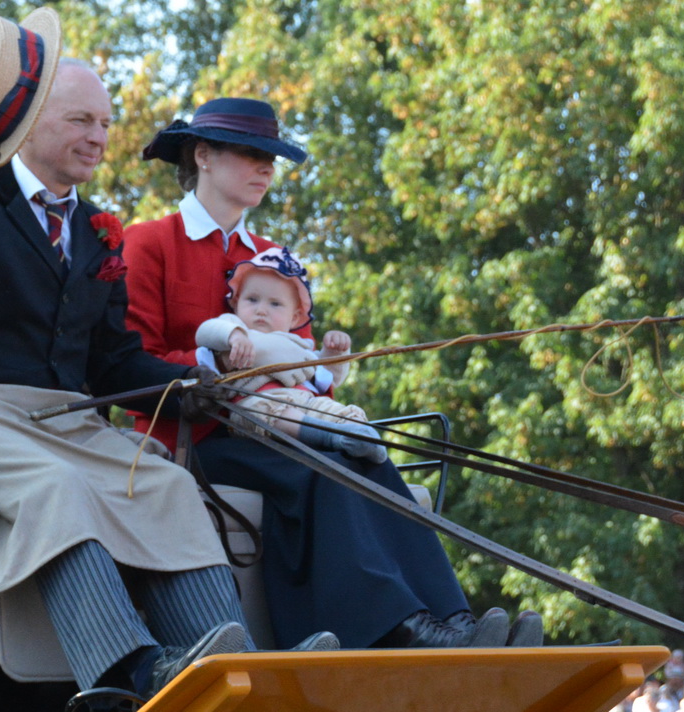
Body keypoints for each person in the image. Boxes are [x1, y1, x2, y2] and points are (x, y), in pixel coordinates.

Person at [0, 14, 317, 700]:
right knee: (56, 486)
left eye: (107, 123)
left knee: (168, 483)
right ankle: (128, 677)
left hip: (68, 417)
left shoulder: (96, 229)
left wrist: (188, 385)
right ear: (32, 123)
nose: (100, 137)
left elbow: (113, 363)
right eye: (82, 119)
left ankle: (233, 670)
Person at [122, 97, 539, 651]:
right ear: (203, 155)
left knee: (365, 453)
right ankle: (400, 628)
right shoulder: (149, 243)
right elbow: (132, 356)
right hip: (193, 439)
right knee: (321, 465)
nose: (267, 168)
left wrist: (325, 367)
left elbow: (303, 367)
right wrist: (207, 376)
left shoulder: (275, 258)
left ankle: (455, 621)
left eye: (271, 157)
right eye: (252, 154)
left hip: (282, 425)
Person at [189, 246, 383, 462]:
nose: (261, 310)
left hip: (304, 400)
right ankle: (328, 437)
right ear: (235, 303)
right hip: (255, 402)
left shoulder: (300, 346)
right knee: (264, 412)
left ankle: (362, 438)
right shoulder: (234, 327)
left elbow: (328, 379)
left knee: (334, 410)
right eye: (252, 299)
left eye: (275, 304)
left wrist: (334, 352)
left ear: (294, 318)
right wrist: (234, 336)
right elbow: (205, 333)